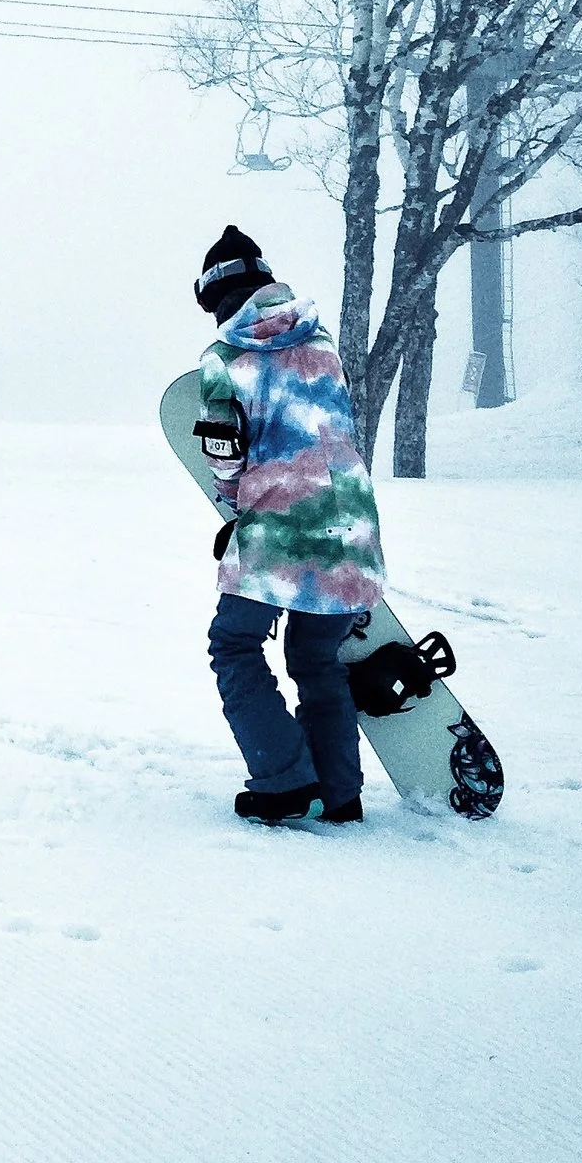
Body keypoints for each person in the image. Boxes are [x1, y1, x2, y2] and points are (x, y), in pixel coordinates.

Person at [191, 225, 385, 825]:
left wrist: (236, 507)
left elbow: (226, 461)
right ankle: (341, 793)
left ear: (218, 298)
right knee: (317, 662)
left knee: (234, 644)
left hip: (279, 533)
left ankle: (282, 781)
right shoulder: (323, 344)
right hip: (352, 527)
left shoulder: (222, 361)